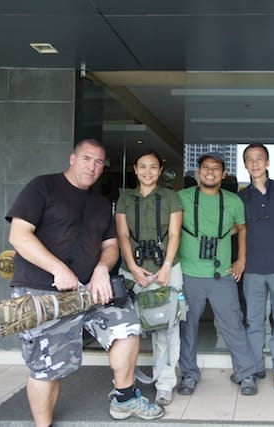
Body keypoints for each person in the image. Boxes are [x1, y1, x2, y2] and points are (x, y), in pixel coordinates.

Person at [6, 139, 163, 426]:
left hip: (91, 291)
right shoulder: (43, 186)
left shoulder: (101, 203)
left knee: (127, 327)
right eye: (87, 159)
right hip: (44, 292)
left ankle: (125, 398)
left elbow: (111, 244)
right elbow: (18, 235)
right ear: (72, 159)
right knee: (48, 367)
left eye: (99, 162)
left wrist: (102, 269)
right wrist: (57, 268)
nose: (92, 166)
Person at [176, 151, 259, 396]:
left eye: (215, 168)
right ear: (198, 172)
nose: (210, 171)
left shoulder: (233, 201)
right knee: (187, 326)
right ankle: (189, 374)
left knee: (233, 324)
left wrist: (240, 260)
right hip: (189, 273)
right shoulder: (181, 198)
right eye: (205, 167)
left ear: (223, 174)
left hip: (221, 274)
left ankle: (246, 373)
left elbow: (242, 228)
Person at [115, 149, 183, 407]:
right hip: (132, 270)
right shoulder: (124, 199)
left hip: (166, 268)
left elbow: (175, 234)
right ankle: (124, 383)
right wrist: (132, 266)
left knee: (166, 328)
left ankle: (165, 384)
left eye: (153, 167)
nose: (147, 172)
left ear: (160, 169)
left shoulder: (170, 197)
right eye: (142, 166)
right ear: (134, 168)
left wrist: (165, 266)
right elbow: (122, 235)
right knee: (128, 329)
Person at [238, 143, 274, 392]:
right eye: (249, 159)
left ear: (267, 162)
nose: (254, 163)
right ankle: (255, 366)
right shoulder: (240, 198)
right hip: (251, 269)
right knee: (253, 321)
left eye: (259, 158)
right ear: (244, 165)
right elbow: (234, 230)